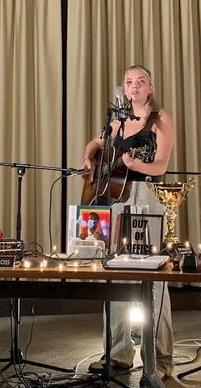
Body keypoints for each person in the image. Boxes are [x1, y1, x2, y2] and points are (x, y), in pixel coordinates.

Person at [80, 65, 175, 379]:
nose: (134, 87)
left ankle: (160, 360)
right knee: (114, 274)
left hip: (145, 195)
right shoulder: (116, 120)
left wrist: (137, 163)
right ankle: (118, 354)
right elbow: (95, 145)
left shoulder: (160, 118)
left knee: (154, 278)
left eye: (140, 82)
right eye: (128, 82)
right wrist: (88, 160)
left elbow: (161, 165)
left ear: (150, 87)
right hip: (115, 199)